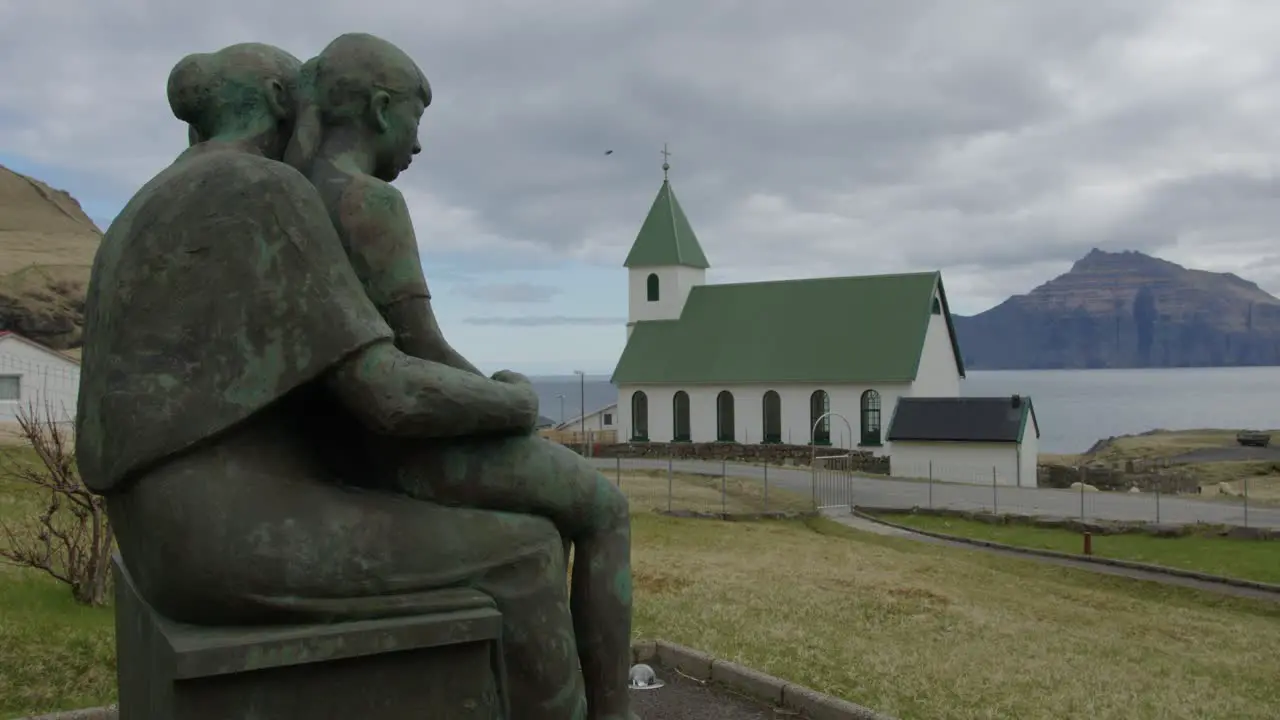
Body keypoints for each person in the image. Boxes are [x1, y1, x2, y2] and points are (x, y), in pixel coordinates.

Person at [76, 42, 590, 720]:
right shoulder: (262, 190)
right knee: (527, 555)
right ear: (283, 100)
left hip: (156, 534)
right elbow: (390, 394)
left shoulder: (148, 204)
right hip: (220, 540)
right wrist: (516, 400)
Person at [283, 33, 636, 720]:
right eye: (417, 117)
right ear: (383, 108)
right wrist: (512, 399)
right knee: (606, 510)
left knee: (548, 518)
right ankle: (613, 713)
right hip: (403, 450)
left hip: (342, 442)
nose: (419, 143)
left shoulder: (297, 195)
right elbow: (423, 350)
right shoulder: (367, 200)